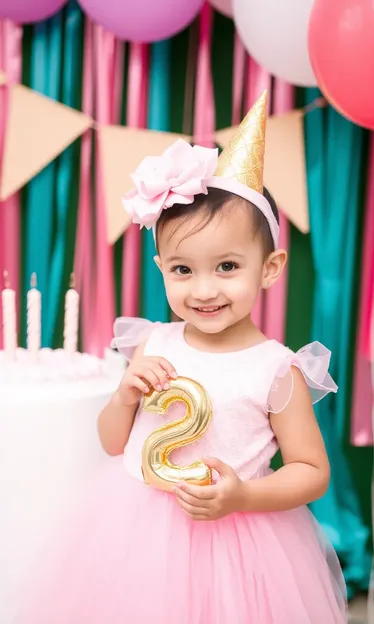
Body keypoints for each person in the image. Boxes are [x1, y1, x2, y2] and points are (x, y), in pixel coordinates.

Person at [15, 91, 347, 623]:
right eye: (183, 270)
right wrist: (124, 397)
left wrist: (243, 497)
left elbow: (311, 471)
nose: (204, 289)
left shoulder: (275, 369)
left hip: (236, 541)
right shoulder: (154, 343)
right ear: (161, 267)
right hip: (136, 531)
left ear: (270, 267)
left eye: (228, 266)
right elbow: (112, 443)